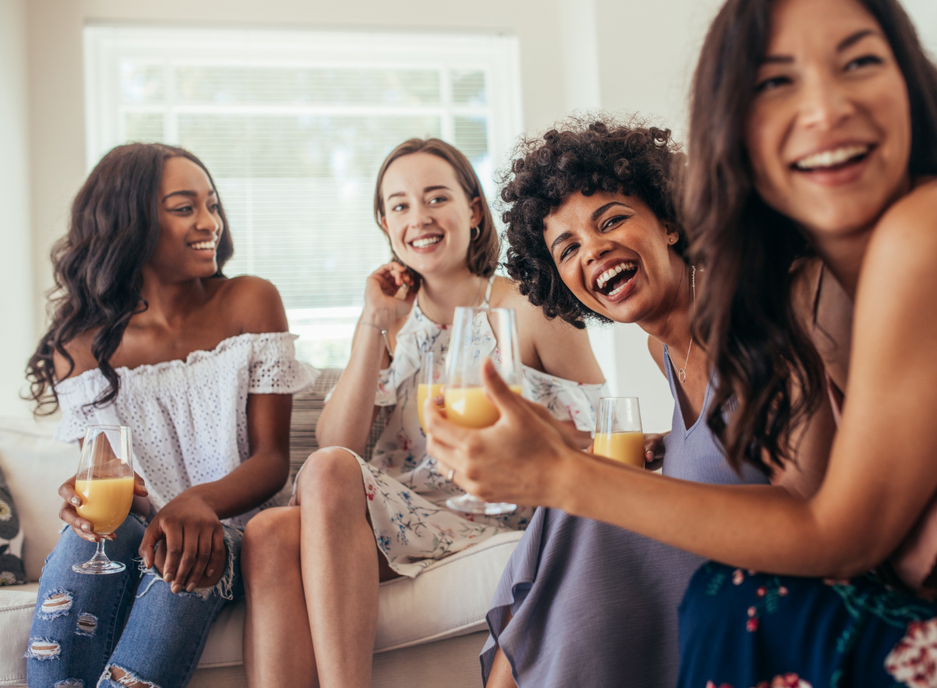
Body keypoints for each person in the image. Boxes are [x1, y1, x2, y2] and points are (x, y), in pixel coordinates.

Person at [424, 0, 937, 685]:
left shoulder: (932, 231)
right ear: (737, 132)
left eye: (859, 61)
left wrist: (562, 475)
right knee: (593, 535)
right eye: (776, 83)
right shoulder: (824, 280)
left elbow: (841, 534)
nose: (824, 108)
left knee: (728, 597)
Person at [241, 138, 607, 687]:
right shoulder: (394, 319)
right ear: (386, 224)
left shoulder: (530, 306)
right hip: (403, 510)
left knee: (326, 475)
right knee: (268, 531)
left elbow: (602, 433)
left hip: (489, 508)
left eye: (437, 198)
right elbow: (335, 440)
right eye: (400, 205)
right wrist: (373, 320)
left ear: (473, 211)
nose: (420, 218)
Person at [479, 118, 769, 688]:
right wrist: (668, 443)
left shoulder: (751, 321)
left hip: (754, 574)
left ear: (668, 223)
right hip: (703, 563)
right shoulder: (663, 350)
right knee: (565, 507)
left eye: (611, 220)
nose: (594, 250)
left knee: (575, 505)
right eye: (568, 249)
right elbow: (720, 429)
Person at [24, 143, 313, 688]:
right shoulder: (79, 346)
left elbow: (273, 461)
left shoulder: (250, 301)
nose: (210, 223)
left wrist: (197, 501)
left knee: (183, 554)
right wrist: (84, 501)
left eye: (213, 205)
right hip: (139, 530)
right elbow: (113, 481)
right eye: (185, 208)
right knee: (90, 539)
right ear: (129, 223)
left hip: (231, 531)